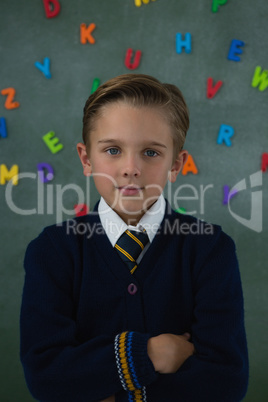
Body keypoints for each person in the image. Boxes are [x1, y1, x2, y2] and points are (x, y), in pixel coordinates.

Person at [20, 74, 249, 402]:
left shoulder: (211, 249)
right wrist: (151, 353)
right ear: (86, 159)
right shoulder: (52, 251)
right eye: (113, 150)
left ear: (176, 164)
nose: (131, 168)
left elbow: (225, 382)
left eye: (151, 153)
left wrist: (113, 393)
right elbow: (47, 377)